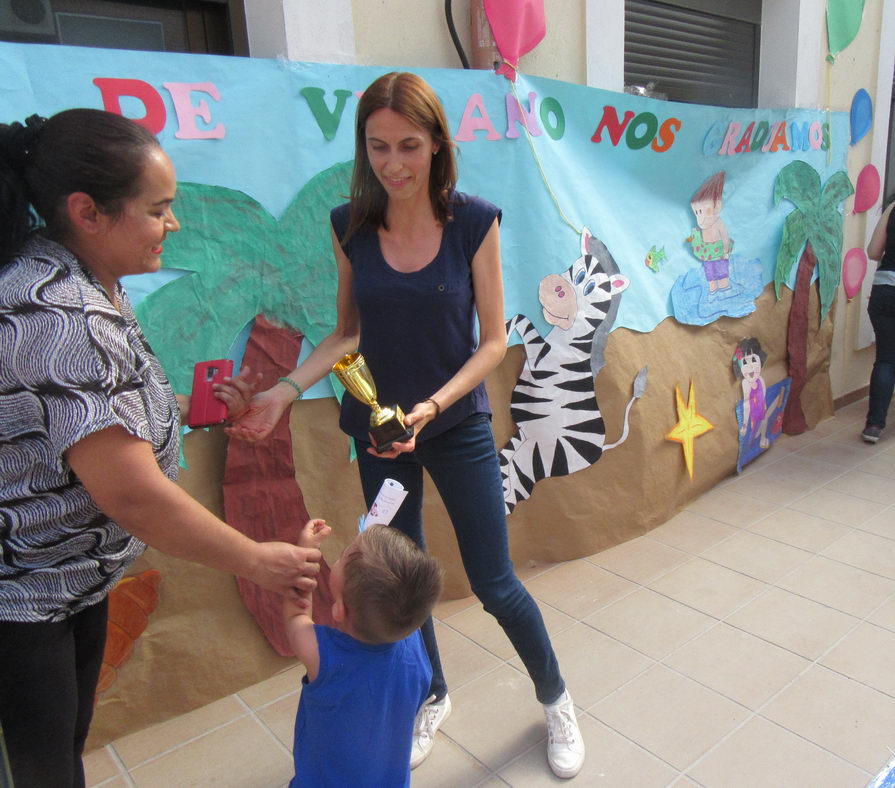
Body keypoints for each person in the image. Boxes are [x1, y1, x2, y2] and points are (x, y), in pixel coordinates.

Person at [227, 71, 585, 778]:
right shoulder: (350, 226)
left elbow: (492, 344)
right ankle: (432, 694)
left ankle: (555, 699)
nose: (393, 164)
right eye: (378, 147)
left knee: (493, 582)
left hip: (452, 426)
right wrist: (284, 389)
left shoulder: (474, 222)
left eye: (409, 146)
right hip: (377, 435)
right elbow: (346, 334)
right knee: (397, 579)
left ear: (436, 146)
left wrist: (432, 407)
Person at [0, 109, 322, 788]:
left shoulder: (75, 277)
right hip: (25, 597)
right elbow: (132, 495)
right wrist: (256, 559)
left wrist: (197, 408)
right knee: (45, 766)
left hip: (69, 579)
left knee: (61, 745)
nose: (171, 225)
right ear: (88, 211)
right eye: (158, 210)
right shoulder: (65, 318)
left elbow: (88, 414)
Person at [285, 520, 442, 787]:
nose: (343, 552)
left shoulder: (324, 656)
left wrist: (304, 557)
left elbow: (296, 614)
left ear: (339, 610)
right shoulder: (413, 642)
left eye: (345, 553)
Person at [862, 195, 895, 443]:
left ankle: (874, 425)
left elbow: (874, 251)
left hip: (885, 291)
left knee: (885, 359)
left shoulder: (893, 207)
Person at [687, 171, 732, 292]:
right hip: (708, 254)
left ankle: (724, 287)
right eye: (697, 213)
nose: (699, 218)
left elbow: (724, 236)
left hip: (719, 252)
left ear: (717, 207)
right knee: (709, 272)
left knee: (721, 270)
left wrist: (725, 250)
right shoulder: (704, 226)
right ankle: (712, 289)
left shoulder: (718, 223)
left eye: (701, 212)